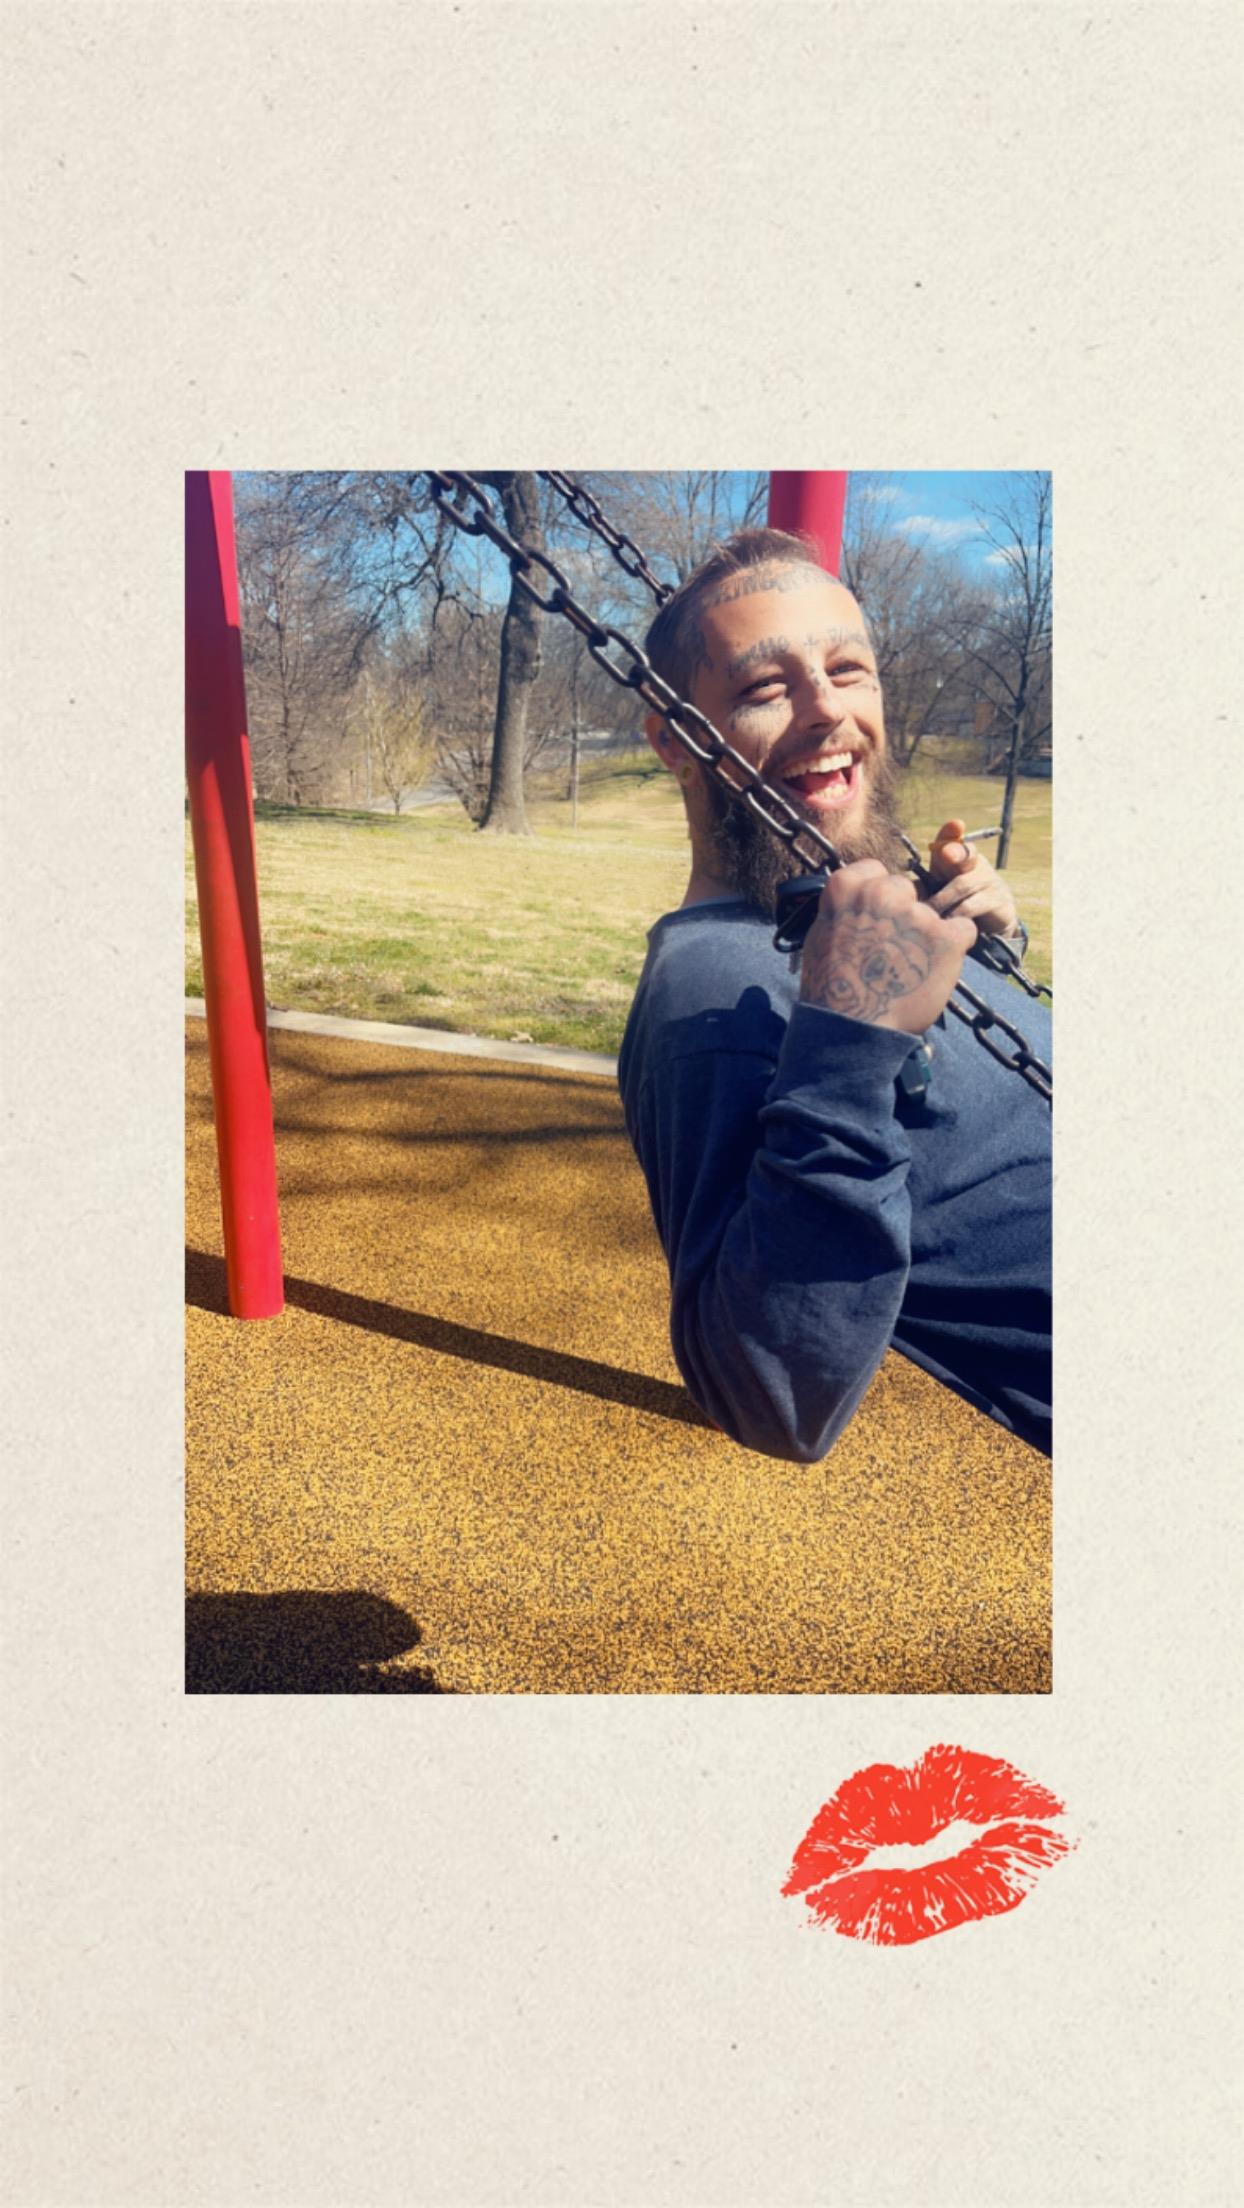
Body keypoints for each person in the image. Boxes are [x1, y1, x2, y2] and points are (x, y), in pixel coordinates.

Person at [617, 528, 1051, 1463]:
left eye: (849, 670)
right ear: (673, 738)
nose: (827, 710)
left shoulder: (886, 902)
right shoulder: (709, 998)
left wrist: (995, 950)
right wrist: (847, 1043)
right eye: (766, 688)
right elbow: (766, 1393)